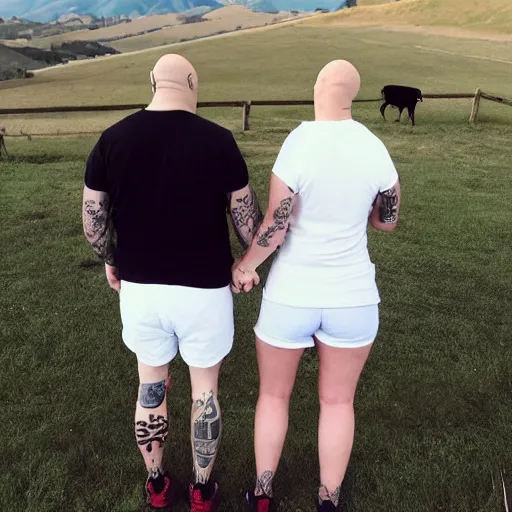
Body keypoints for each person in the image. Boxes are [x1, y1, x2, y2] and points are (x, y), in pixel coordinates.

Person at [82, 53, 262, 512]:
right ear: (191, 84)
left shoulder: (112, 140)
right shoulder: (219, 141)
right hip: (205, 292)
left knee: (151, 385)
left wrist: (111, 258)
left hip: (141, 289)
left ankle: (157, 484)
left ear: (153, 84)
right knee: (205, 392)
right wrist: (245, 262)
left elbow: (92, 224)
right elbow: (249, 224)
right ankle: (202, 490)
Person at [232, 60, 401, 511]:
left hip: (292, 293)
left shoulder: (299, 143)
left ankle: (263, 494)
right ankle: (328, 500)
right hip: (354, 298)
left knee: (272, 395)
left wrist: (246, 266)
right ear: (352, 95)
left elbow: (276, 224)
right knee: (338, 402)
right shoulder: (375, 148)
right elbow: (388, 221)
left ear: (318, 90)